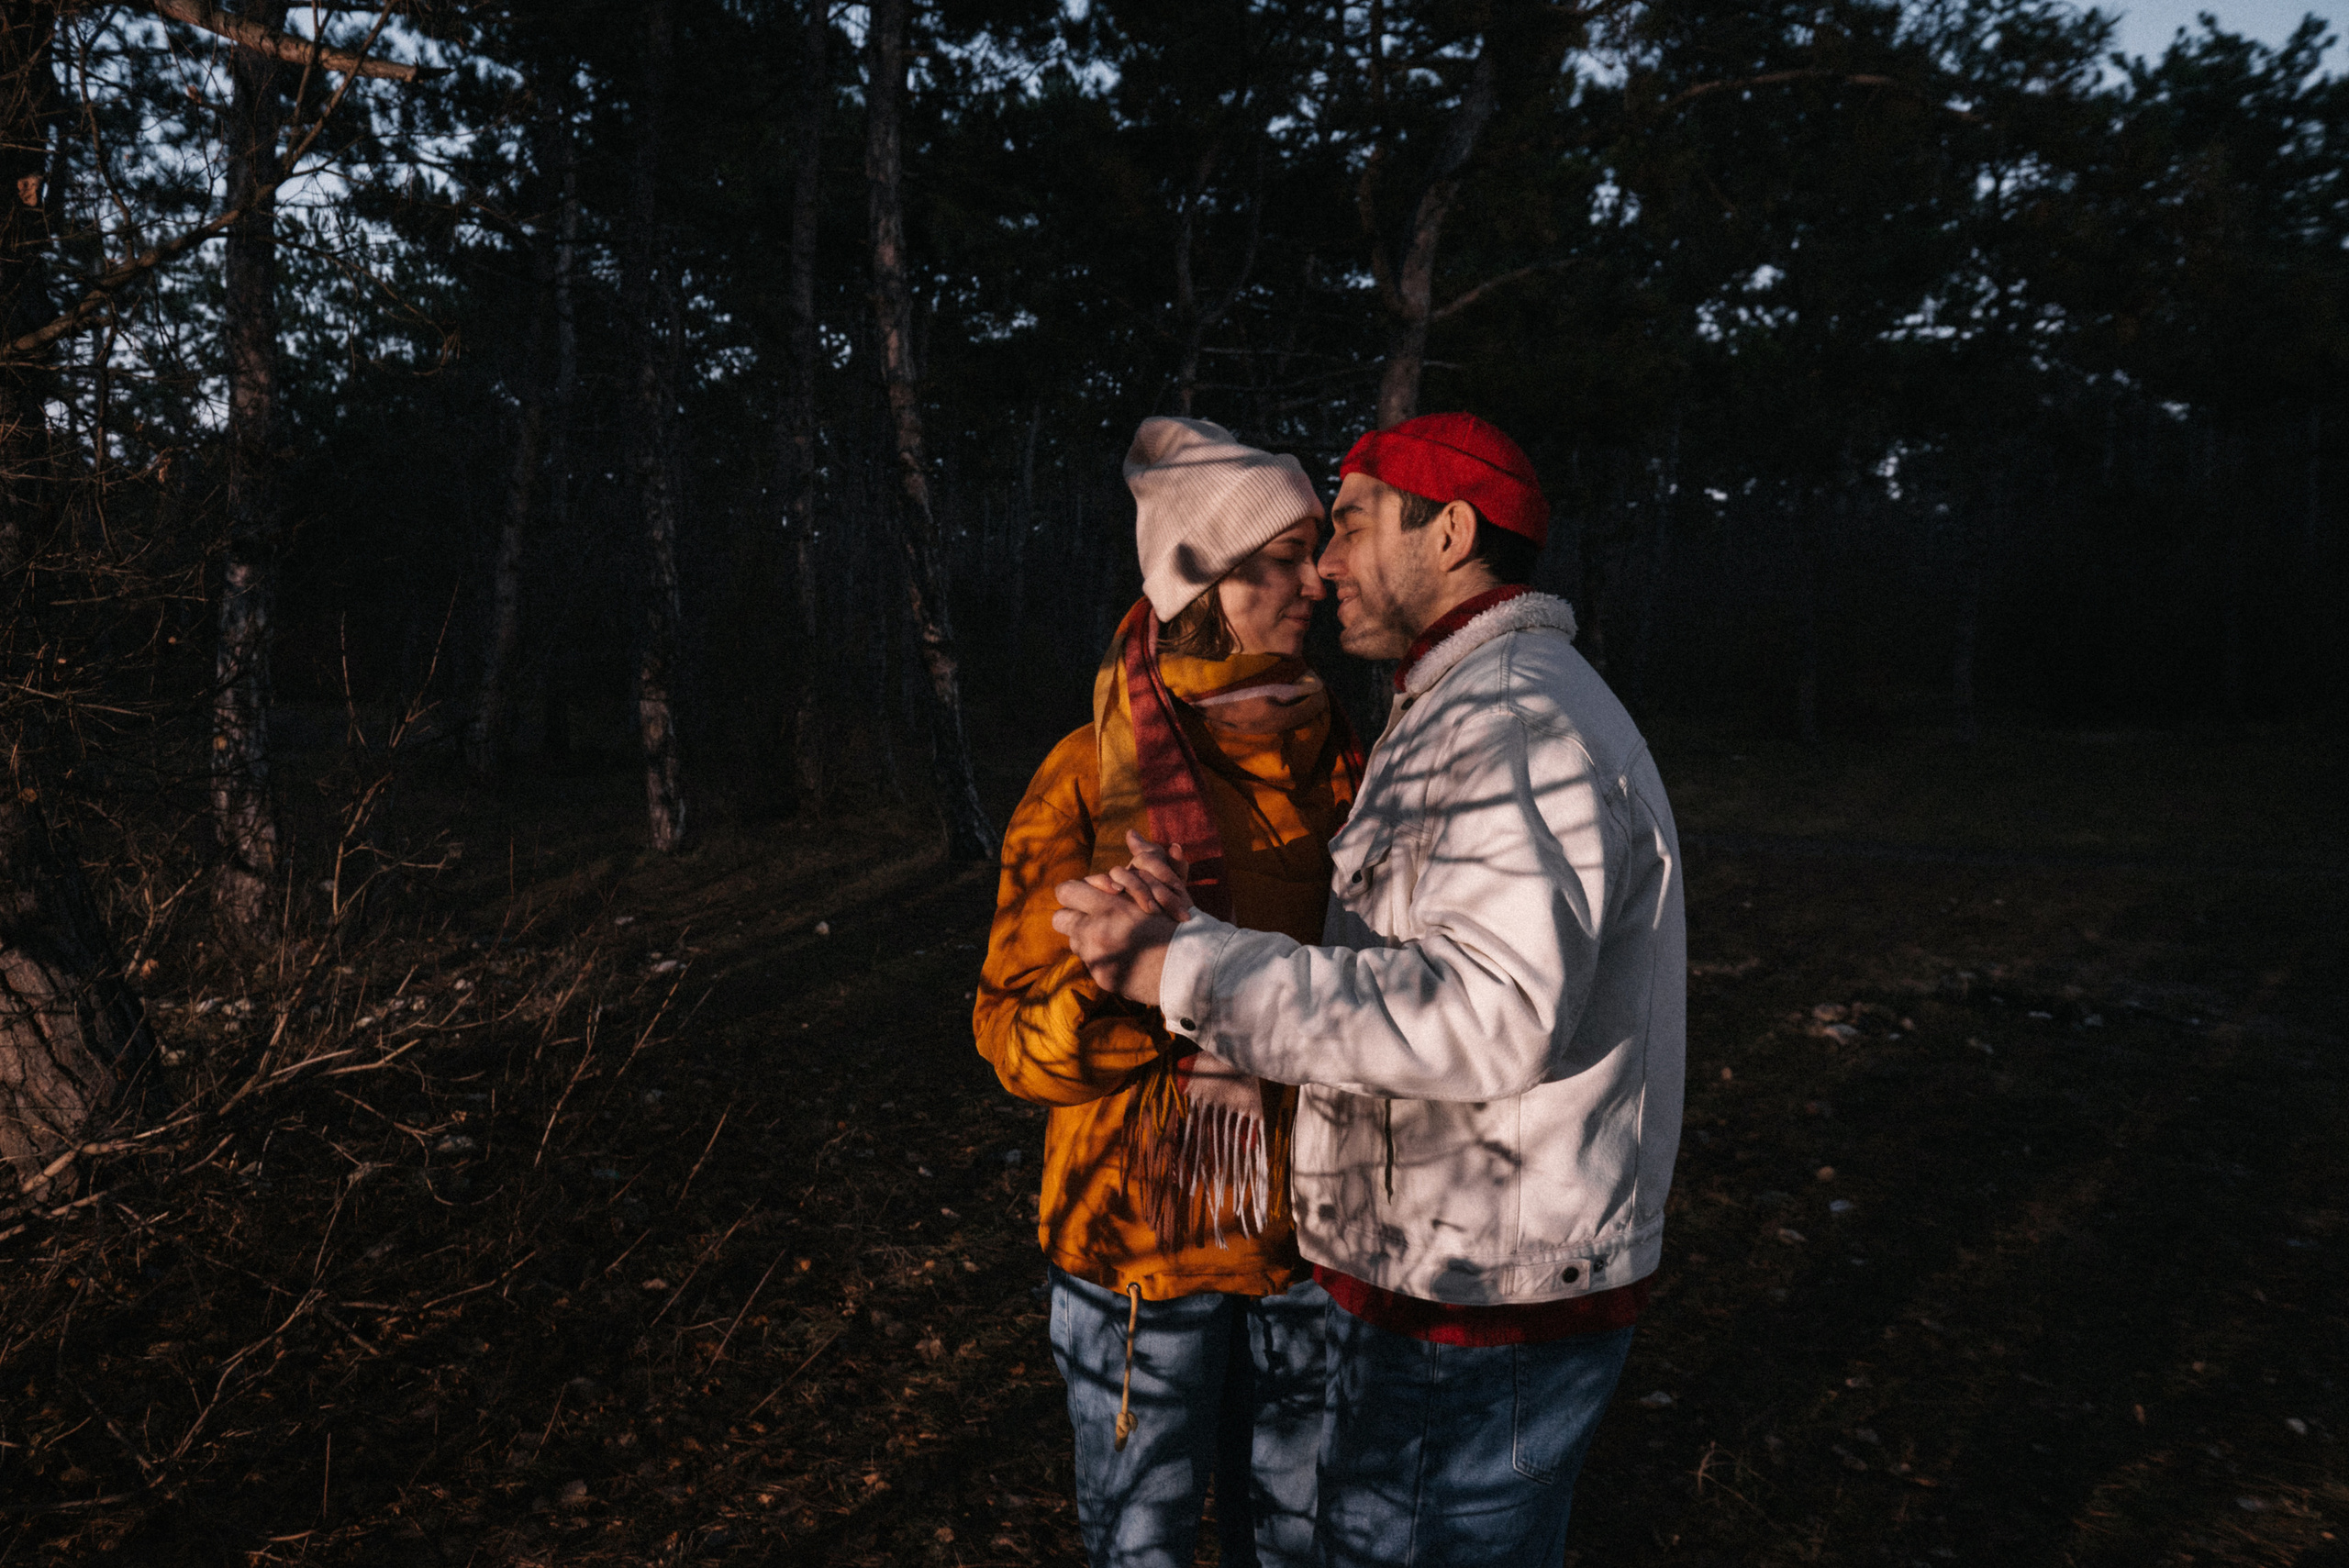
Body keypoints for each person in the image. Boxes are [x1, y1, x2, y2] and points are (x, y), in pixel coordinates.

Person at [1052, 412, 1687, 1568]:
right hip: (1426, 1282)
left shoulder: (1509, 723)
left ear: (1447, 532)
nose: (1327, 564)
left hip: (1476, 1308)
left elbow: (1484, 1014)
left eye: (1345, 526)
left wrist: (1180, 966)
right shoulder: (1444, 711)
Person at [974, 416, 1364, 1568]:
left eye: (1316, 548)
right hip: (1138, 1258)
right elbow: (1009, 1037)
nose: (1319, 577)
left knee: (1297, 1542)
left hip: (1306, 1238)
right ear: (1201, 585)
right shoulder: (1085, 778)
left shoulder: (1346, 757)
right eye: (1281, 559)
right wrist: (1123, 993)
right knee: (1142, 1546)